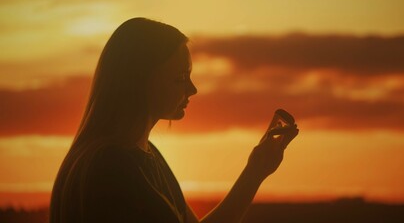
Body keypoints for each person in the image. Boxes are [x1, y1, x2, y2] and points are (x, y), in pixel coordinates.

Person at [49, 17, 299, 223]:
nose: (192, 89)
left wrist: (256, 169)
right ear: (139, 80)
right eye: (180, 77)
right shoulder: (111, 167)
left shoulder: (144, 154)